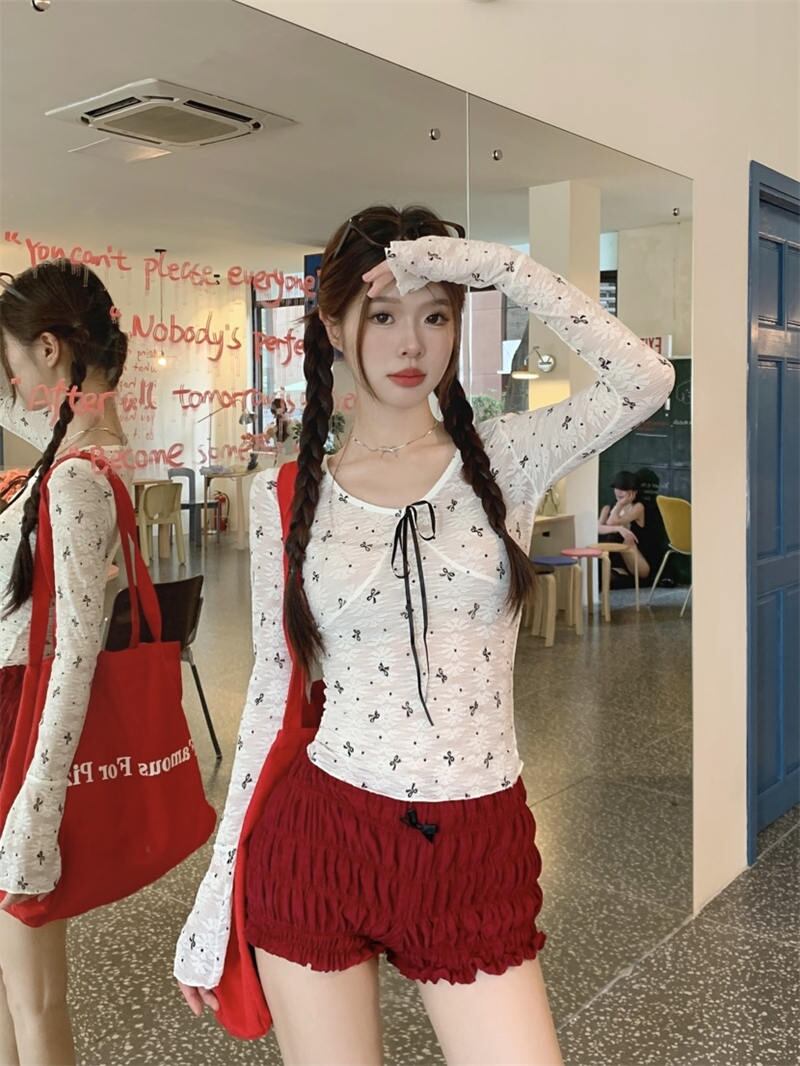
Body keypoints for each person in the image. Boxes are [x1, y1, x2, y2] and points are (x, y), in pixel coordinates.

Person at [174, 204, 675, 1066]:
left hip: (475, 840)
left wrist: (497, 267)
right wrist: (215, 898)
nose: (411, 343)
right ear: (334, 325)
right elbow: (269, 691)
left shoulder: (506, 457)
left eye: (435, 315)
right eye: (383, 315)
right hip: (321, 836)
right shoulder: (282, 494)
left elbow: (645, 380)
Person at [0, 261, 130, 1066]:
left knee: (33, 994)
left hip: (21, 729)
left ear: (49, 351)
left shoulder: (78, 475)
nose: (12, 387)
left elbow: (76, 649)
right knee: (13, 984)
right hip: (16, 718)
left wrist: (37, 805)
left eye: (14, 364)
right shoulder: (70, 457)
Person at [598, 470, 651, 583]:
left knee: (627, 540)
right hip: (615, 561)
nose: (619, 492)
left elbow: (612, 522)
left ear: (634, 492)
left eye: (624, 489)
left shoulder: (637, 507)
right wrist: (618, 529)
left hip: (637, 562)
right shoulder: (607, 508)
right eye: (617, 488)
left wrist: (620, 504)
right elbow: (598, 528)